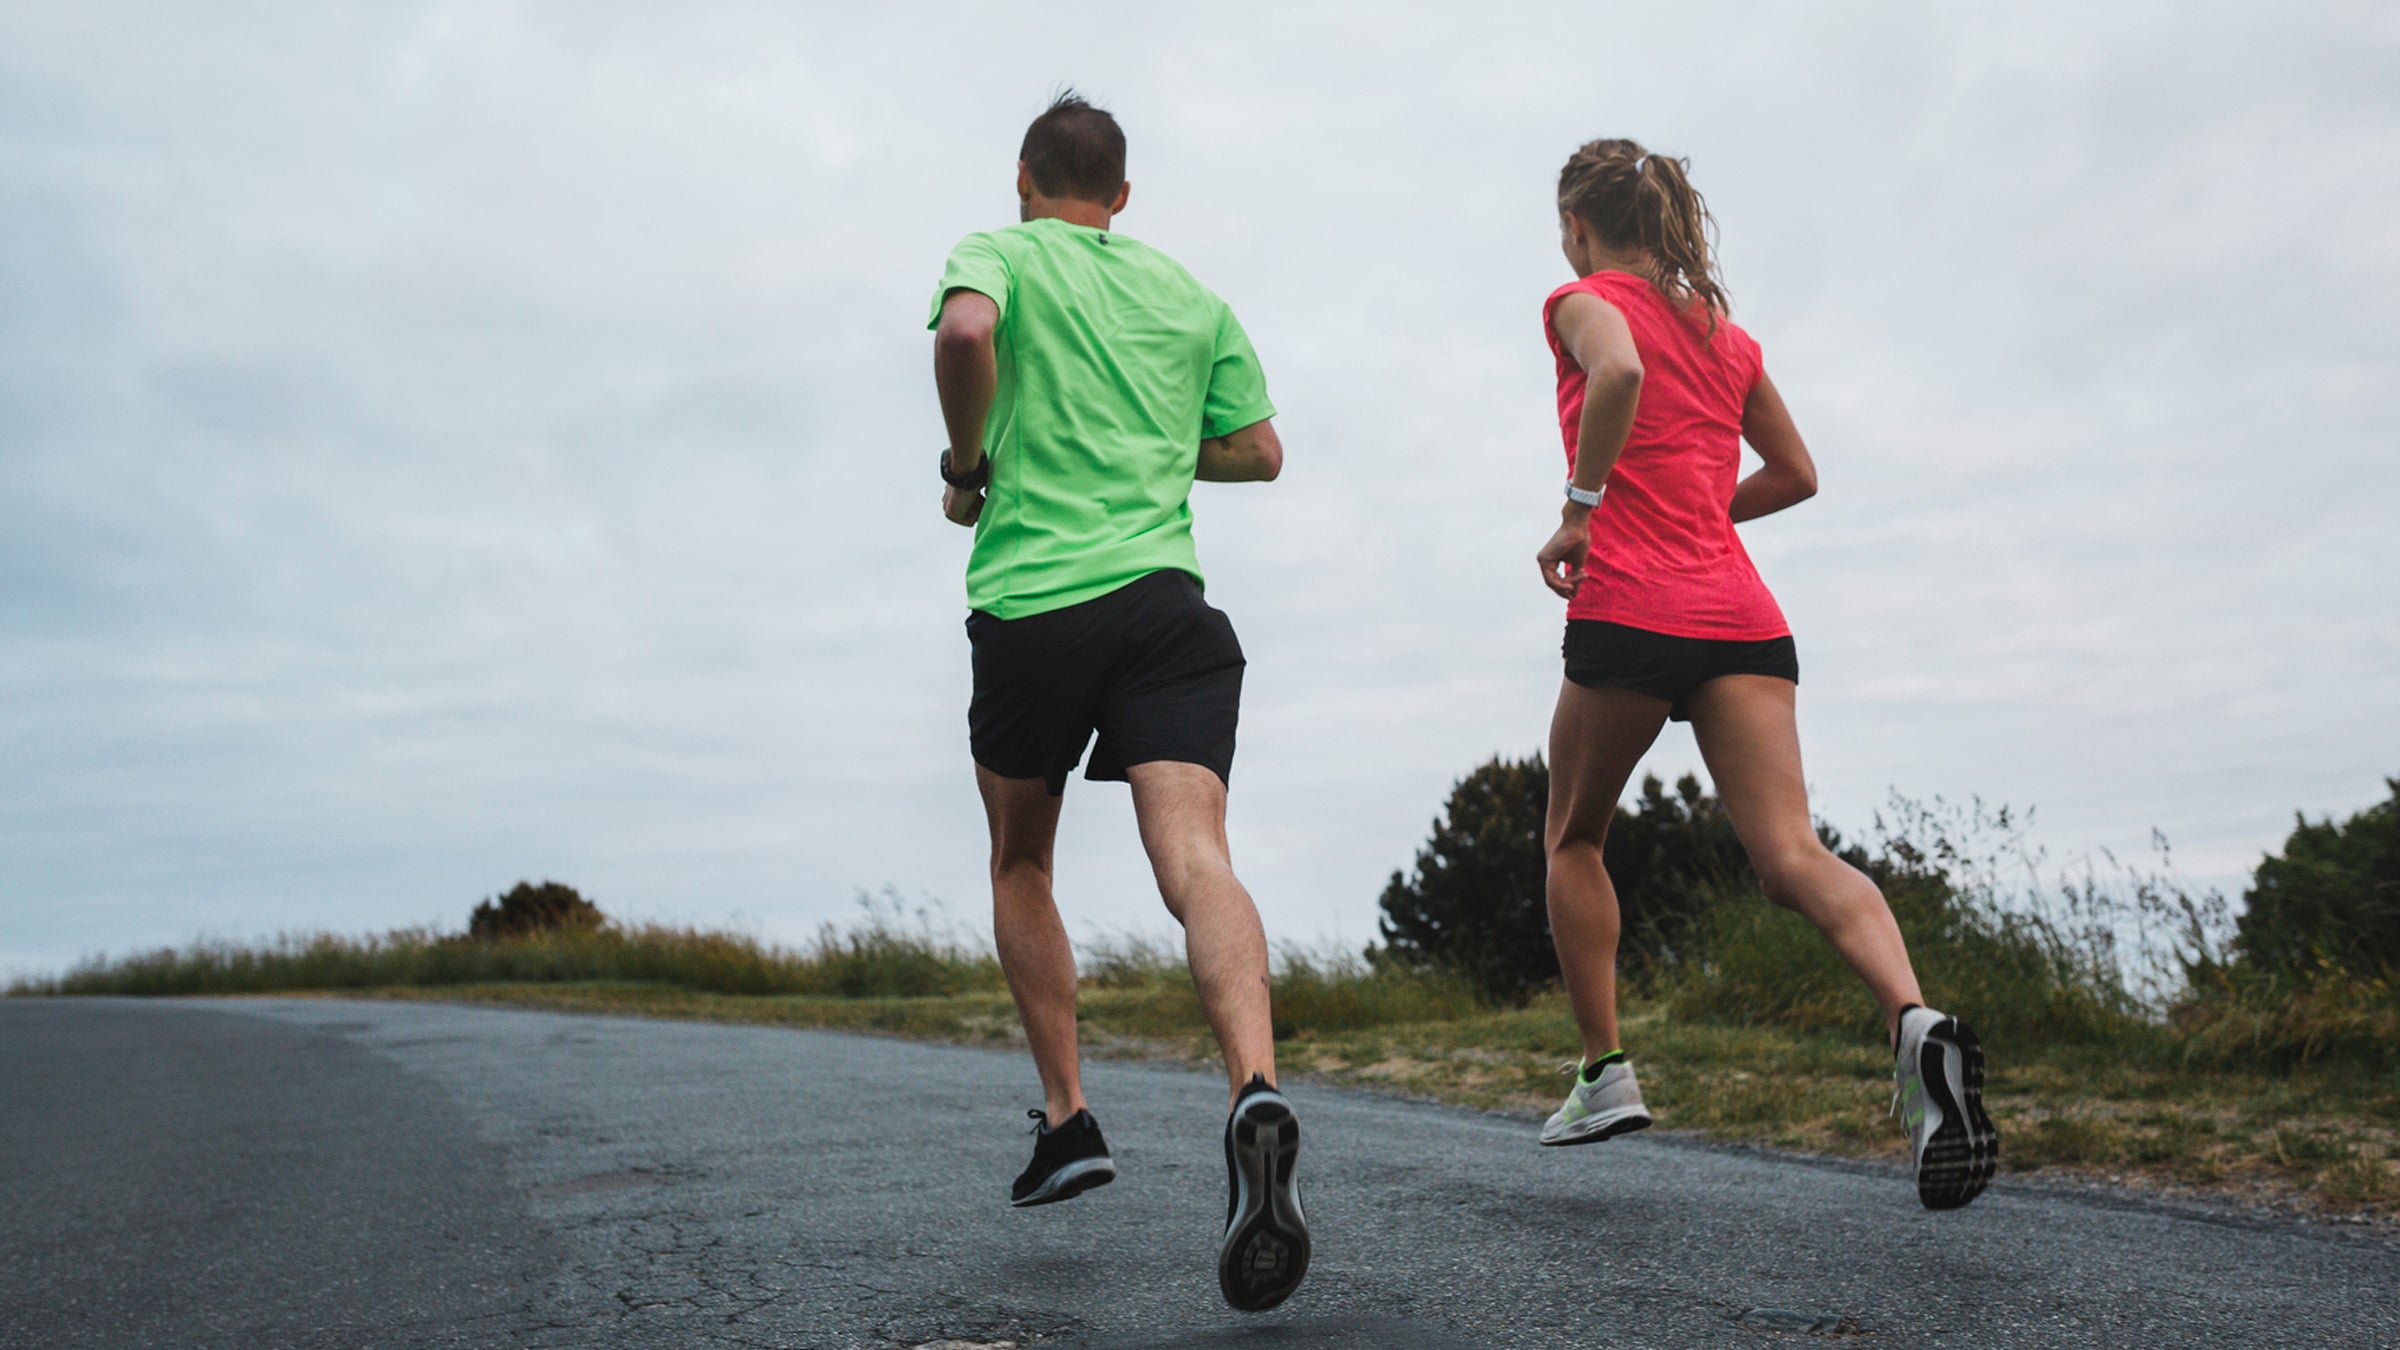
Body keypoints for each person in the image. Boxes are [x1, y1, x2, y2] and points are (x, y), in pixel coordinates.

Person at [1530, 138, 1998, 1210]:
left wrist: (1583, 510)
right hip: (1741, 617)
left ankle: (1604, 1074)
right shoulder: (1726, 336)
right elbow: (1796, 474)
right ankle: (1914, 1022)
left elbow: (1617, 370)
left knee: (1574, 834)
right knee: (1792, 855)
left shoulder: (1578, 298)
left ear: (1580, 225)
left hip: (1635, 609)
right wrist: (1698, 511)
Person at [926, 91, 1311, 1306]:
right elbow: (1260, 450)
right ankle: (1253, 1082)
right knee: (1197, 858)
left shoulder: (996, 250)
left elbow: (964, 339)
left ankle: (1069, 1119)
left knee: (1022, 863)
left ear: (1025, 177)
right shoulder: (1187, 293)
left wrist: (968, 462)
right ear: (1123, 198)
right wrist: (1151, 445)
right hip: (1167, 609)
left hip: (1036, 606)